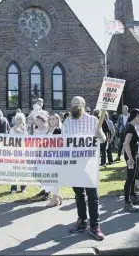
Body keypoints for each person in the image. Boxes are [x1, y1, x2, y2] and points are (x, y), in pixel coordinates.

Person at [63, 96, 106, 241]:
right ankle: (82, 221)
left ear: (84, 104)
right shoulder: (67, 122)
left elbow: (103, 140)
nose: (75, 105)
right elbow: (63, 141)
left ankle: (95, 226)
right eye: (72, 103)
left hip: (89, 164)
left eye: (77, 103)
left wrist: (99, 134)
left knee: (92, 196)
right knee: (78, 195)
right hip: (74, 164)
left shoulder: (93, 121)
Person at [123, 109, 139, 213]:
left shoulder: (133, 126)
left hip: (135, 155)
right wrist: (130, 158)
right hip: (130, 156)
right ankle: (127, 202)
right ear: (136, 115)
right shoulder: (130, 127)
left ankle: (133, 196)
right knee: (130, 178)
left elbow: (134, 140)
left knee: (133, 177)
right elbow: (126, 143)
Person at [45, 113, 63, 207]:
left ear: (58, 120)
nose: (52, 121)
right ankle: (58, 196)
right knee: (51, 178)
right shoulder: (49, 130)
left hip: (55, 156)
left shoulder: (58, 130)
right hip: (48, 156)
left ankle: (54, 199)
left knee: (54, 178)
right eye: (50, 119)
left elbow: (59, 144)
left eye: (54, 119)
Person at [9, 112, 28, 194]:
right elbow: (9, 140)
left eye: (20, 119)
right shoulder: (12, 129)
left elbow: (27, 140)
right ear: (15, 120)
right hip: (14, 153)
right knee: (14, 171)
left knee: (22, 171)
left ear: (23, 120)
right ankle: (13, 187)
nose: (19, 121)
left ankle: (23, 187)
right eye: (17, 119)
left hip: (23, 153)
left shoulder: (25, 130)